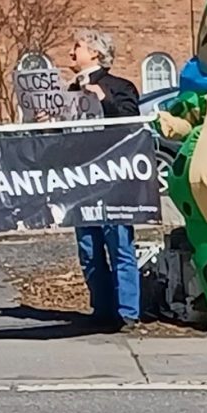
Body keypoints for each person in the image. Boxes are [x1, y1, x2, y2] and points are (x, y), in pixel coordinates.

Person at [65, 30, 144, 330]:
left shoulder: (120, 86)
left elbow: (131, 123)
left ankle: (127, 312)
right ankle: (101, 308)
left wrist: (104, 98)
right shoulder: (69, 91)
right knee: (88, 247)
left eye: (77, 47)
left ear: (95, 53)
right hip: (81, 180)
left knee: (119, 242)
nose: (71, 53)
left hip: (113, 180)